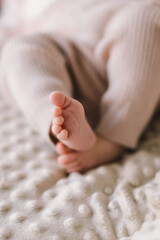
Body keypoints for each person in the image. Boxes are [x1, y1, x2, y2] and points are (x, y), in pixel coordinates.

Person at [0, 0, 160, 173]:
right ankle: (58, 122)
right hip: (69, 65)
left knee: (144, 17)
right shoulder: (17, 10)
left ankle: (113, 136)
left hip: (139, 59)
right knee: (17, 49)